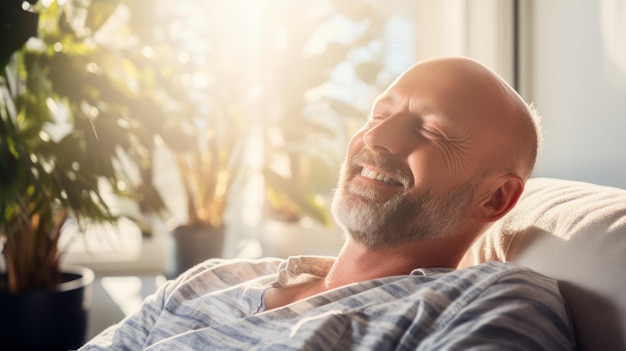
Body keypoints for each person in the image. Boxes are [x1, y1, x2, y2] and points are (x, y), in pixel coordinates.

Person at [80, 57, 575, 350]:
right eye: (379, 114)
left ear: (495, 198)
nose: (376, 137)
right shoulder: (206, 282)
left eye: (430, 129)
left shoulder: (491, 301)